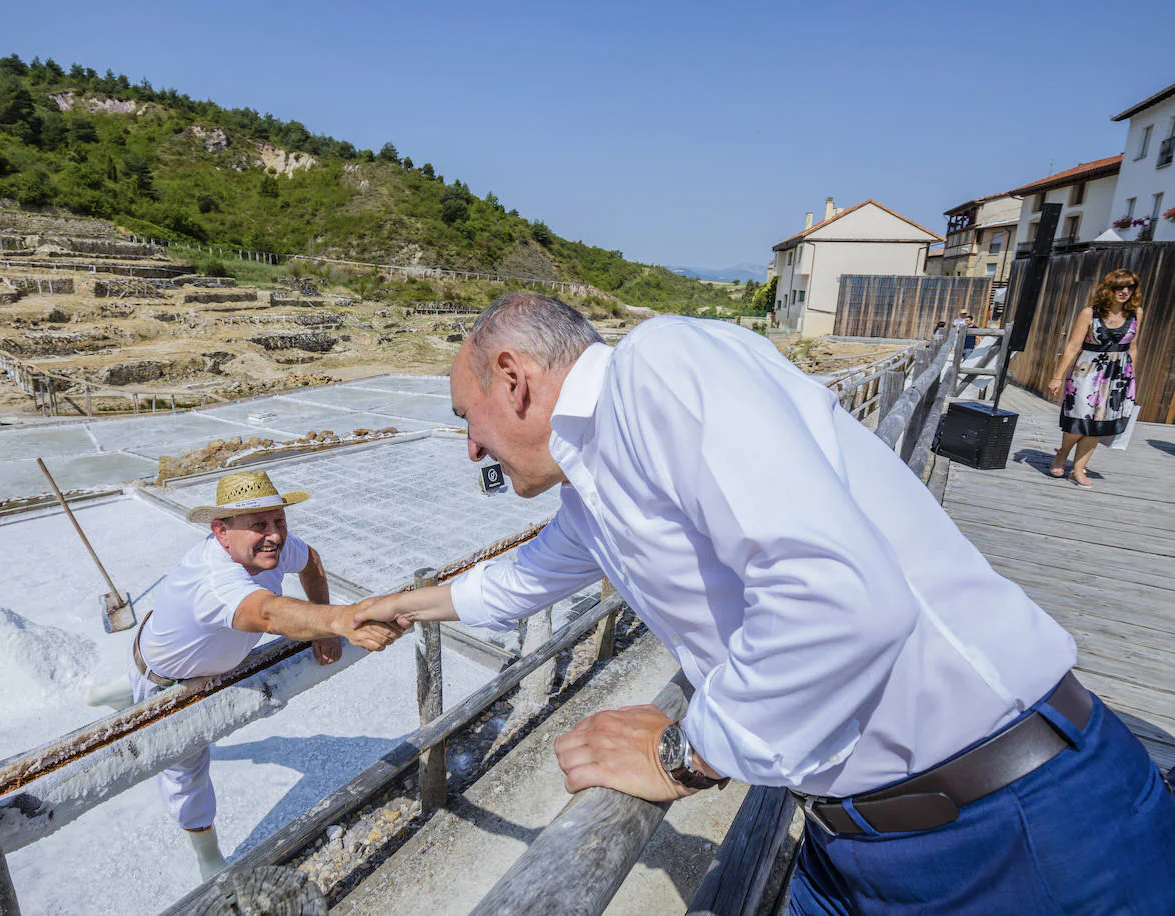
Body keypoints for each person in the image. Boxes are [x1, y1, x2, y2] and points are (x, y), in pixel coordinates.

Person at [352, 293, 1175, 914]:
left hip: (1015, 832)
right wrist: (394, 607)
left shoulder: (657, 367)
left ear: (513, 379)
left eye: (467, 418)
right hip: (854, 842)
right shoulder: (593, 487)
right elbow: (515, 581)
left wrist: (685, 753)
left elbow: (840, 599)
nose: (470, 447)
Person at [128, 470, 401, 878]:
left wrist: (320, 627)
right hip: (168, 682)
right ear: (221, 531)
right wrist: (339, 620)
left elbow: (311, 561)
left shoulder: (270, 549)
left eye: (279, 521)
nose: (274, 535)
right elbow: (268, 614)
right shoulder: (215, 581)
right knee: (186, 772)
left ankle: (121, 695)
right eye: (258, 524)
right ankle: (208, 859)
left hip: (205, 654)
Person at [1047, 269, 1142, 489]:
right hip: (1086, 372)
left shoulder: (1137, 313)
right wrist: (1057, 377)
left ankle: (1078, 469)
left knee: (1100, 425)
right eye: (1120, 287)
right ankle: (1063, 453)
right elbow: (1072, 347)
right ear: (1109, 288)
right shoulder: (1090, 313)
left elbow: (1133, 347)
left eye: (1130, 287)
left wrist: (1131, 378)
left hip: (1118, 376)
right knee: (1077, 421)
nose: (1125, 291)